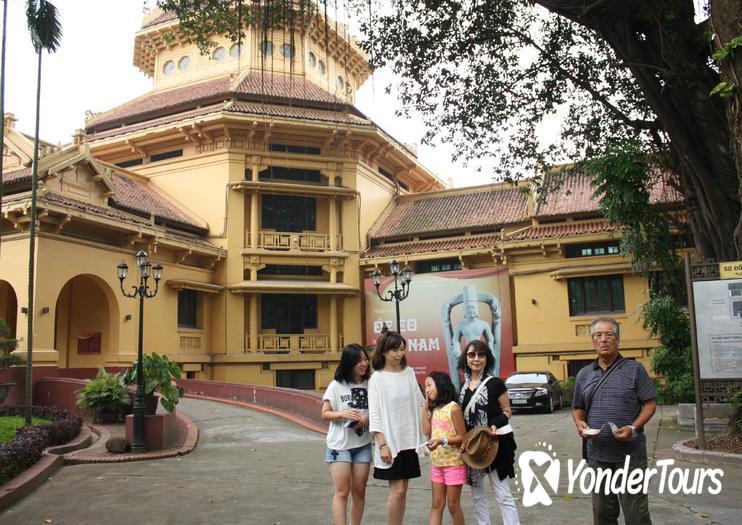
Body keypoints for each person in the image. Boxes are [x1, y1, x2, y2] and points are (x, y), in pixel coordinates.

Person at [572, 317, 657, 525]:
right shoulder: (584, 374)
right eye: (598, 335)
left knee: (636, 513)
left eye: (609, 334)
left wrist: (632, 427)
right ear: (593, 341)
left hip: (631, 455)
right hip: (598, 454)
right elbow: (578, 408)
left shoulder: (635, 370)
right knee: (603, 513)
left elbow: (650, 405)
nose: (604, 339)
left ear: (617, 339)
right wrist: (580, 423)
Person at [458, 339, 520, 525]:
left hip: (493, 446)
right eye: (472, 354)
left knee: (503, 495)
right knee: (477, 497)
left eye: (481, 354)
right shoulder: (463, 386)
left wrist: (494, 425)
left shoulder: (495, 383)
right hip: (472, 449)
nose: (476, 359)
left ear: (487, 358)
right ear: (466, 358)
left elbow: (507, 411)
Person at [368, 330, 427, 525]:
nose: (399, 354)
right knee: (397, 490)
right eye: (395, 350)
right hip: (390, 442)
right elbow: (374, 413)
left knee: (404, 490)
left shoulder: (409, 372)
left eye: (402, 349)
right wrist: (382, 444)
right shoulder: (377, 378)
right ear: (383, 351)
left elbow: (420, 402)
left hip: (409, 440)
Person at [321, 343, 372, 525]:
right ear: (349, 362)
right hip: (339, 446)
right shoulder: (336, 386)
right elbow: (325, 413)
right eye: (359, 360)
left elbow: (378, 411)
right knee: (342, 491)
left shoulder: (370, 384)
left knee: (359, 492)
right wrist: (343, 413)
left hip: (362, 445)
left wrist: (365, 420)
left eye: (366, 359)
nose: (364, 364)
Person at [421, 371, 467, 525]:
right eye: (425, 387)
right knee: (436, 505)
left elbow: (463, 437)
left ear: (440, 385)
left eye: (429, 385)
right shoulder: (435, 410)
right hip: (437, 464)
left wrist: (442, 441)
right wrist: (424, 409)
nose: (426, 390)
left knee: (453, 506)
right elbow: (427, 432)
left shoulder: (453, 408)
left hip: (453, 464)